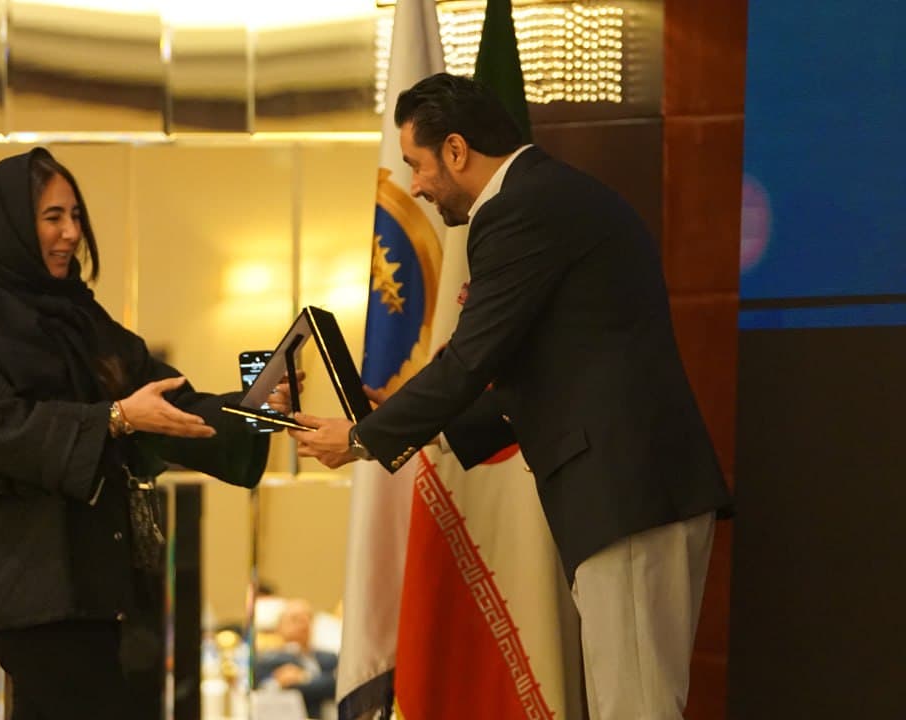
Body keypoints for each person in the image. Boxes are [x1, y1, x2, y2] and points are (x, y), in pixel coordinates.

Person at [290, 73, 734, 720]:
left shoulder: (521, 208)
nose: (415, 185)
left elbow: (472, 360)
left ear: (456, 150)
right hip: (632, 491)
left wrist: (361, 439)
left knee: (635, 709)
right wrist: (400, 416)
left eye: (415, 164)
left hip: (627, 492)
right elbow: (532, 381)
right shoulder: (545, 196)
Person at [0, 147, 281, 719]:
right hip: (24, 580)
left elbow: (161, 399)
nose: (71, 233)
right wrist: (114, 419)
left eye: (75, 216)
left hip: (95, 574)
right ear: (10, 225)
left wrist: (254, 408)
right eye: (52, 217)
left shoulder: (79, 318)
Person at [254, 599, 337, 719]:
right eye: (295, 619)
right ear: (279, 626)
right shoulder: (267, 660)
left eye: (308, 618)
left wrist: (303, 677)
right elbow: (261, 691)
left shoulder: (329, 658)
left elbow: (335, 685)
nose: (303, 625)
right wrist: (279, 683)